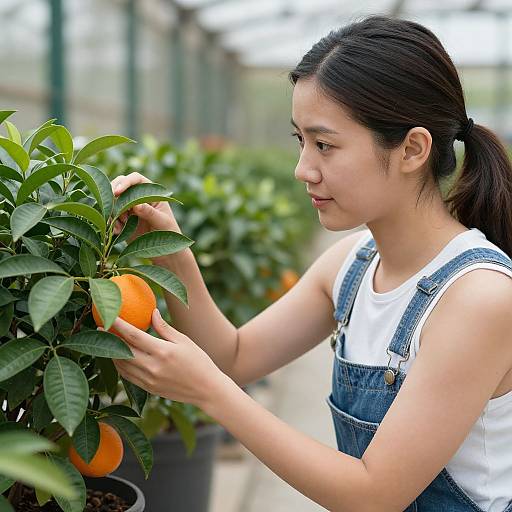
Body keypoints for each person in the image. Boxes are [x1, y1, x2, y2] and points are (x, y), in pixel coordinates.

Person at [103, 15, 512, 511]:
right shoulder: (352, 265)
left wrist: (211, 394)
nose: (303, 169)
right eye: (300, 140)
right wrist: (171, 250)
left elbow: (374, 493)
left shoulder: (479, 298)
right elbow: (232, 357)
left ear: (412, 149)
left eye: (325, 145)